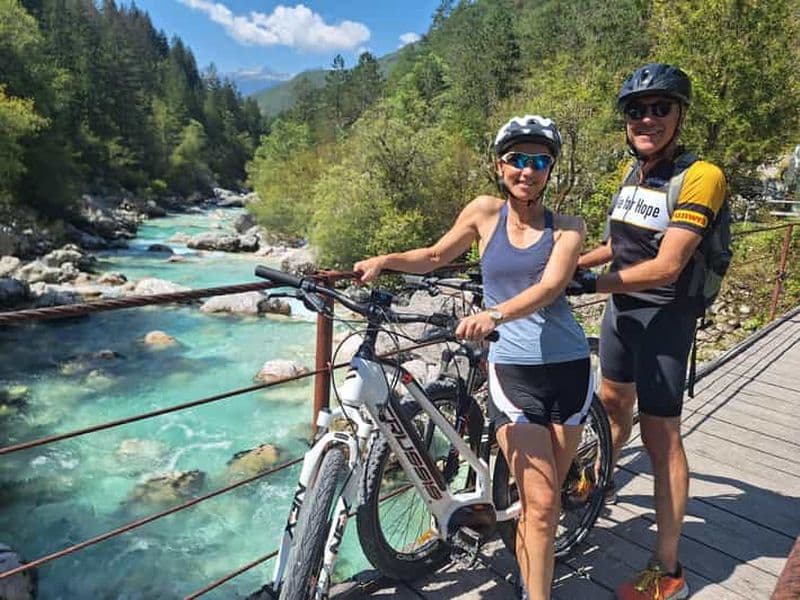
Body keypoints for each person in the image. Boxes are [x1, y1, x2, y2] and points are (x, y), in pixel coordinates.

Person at [355, 115, 592, 600]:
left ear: (551, 170)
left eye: (539, 161)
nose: (527, 170)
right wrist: (385, 261)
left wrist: (495, 314)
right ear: (499, 165)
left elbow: (550, 289)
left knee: (547, 502)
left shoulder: (570, 228)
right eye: (517, 159)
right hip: (512, 373)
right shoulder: (485, 213)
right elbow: (436, 255)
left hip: (568, 369)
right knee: (541, 502)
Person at [569, 63, 727, 600]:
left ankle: (669, 569)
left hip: (665, 317)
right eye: (637, 110)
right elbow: (622, 245)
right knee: (613, 404)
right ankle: (600, 480)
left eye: (661, 108)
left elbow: (666, 265)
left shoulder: (701, 175)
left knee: (661, 439)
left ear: (680, 115)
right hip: (622, 313)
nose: (647, 119)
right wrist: (565, 265)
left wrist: (588, 284)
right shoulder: (633, 176)